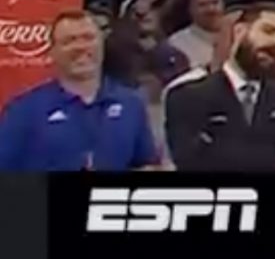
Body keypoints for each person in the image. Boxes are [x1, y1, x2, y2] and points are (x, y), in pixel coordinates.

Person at [0, 11, 159, 171]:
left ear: (102, 43)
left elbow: (147, 164)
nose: (81, 47)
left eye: (88, 38)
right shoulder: (23, 111)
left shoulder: (131, 104)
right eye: (69, 41)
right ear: (52, 52)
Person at [162, 0, 275, 171]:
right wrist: (272, 158)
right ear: (239, 31)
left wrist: (219, 149)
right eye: (268, 31)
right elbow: (190, 161)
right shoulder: (186, 96)